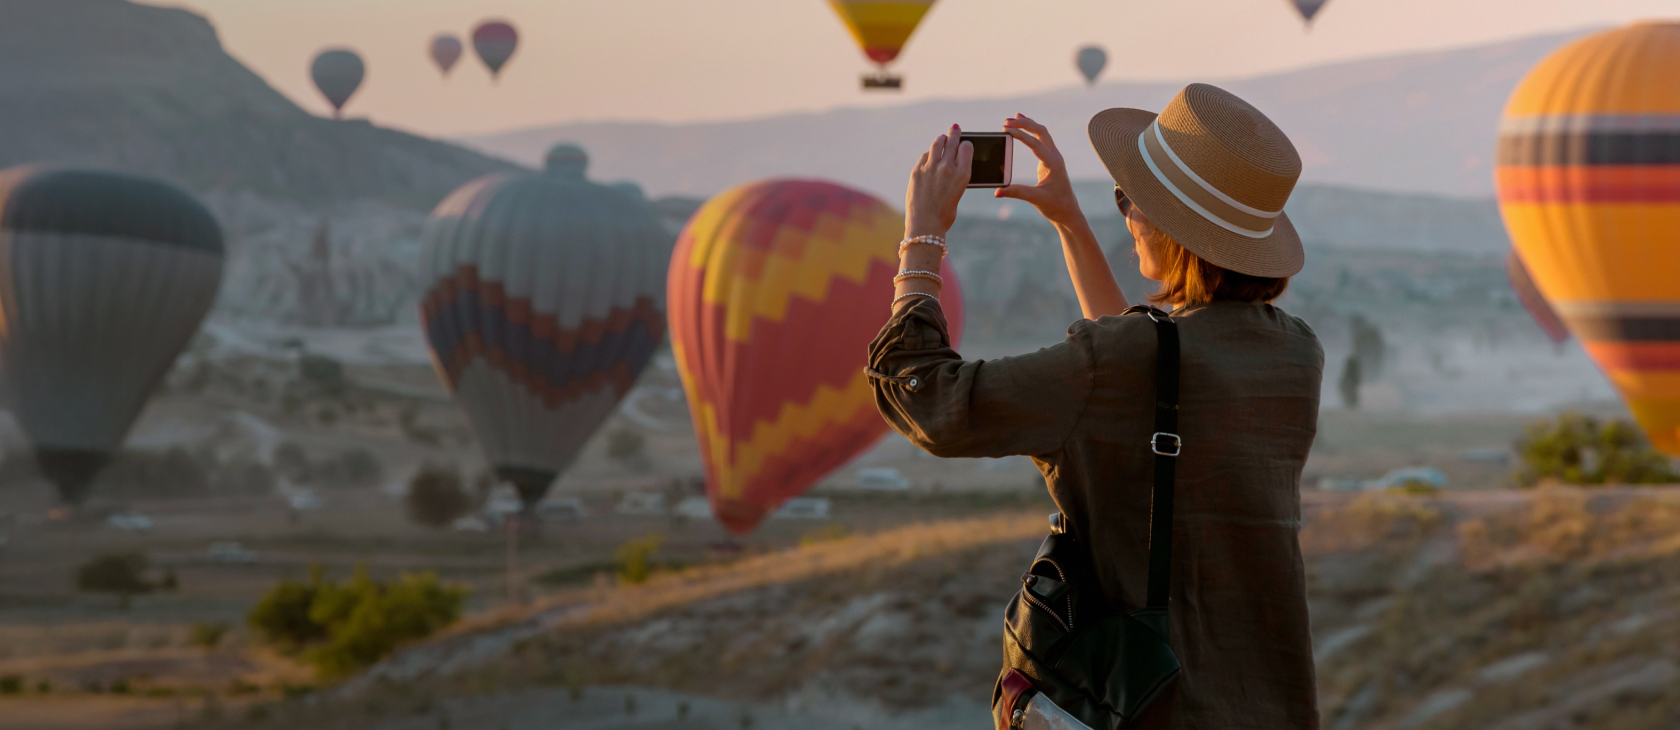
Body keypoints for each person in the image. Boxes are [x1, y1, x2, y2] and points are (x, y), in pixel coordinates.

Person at [867, 84, 1324, 728]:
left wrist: (921, 241)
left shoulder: (1118, 362)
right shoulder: (1295, 354)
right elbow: (1152, 378)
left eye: (1126, 201)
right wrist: (1070, 222)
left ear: (1170, 227)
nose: (1125, 218)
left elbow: (928, 398)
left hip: (1148, 708)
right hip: (1270, 705)